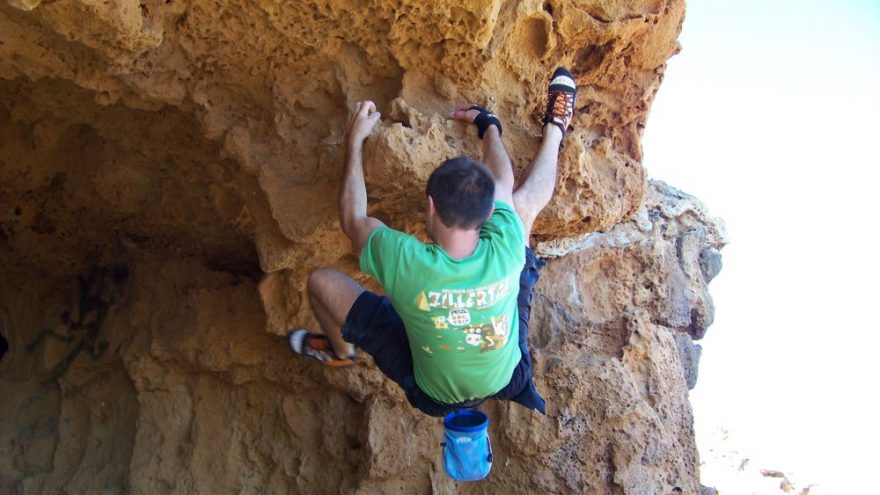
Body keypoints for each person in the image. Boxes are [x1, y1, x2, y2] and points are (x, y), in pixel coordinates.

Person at [287, 67, 578, 417]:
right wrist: (488, 126)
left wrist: (354, 142)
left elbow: (353, 220)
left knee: (321, 282)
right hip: (507, 378)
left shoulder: (407, 263)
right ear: (489, 215)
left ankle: (340, 352)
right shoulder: (506, 241)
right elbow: (503, 178)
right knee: (524, 207)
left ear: (430, 206)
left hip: (434, 396)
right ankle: (555, 131)